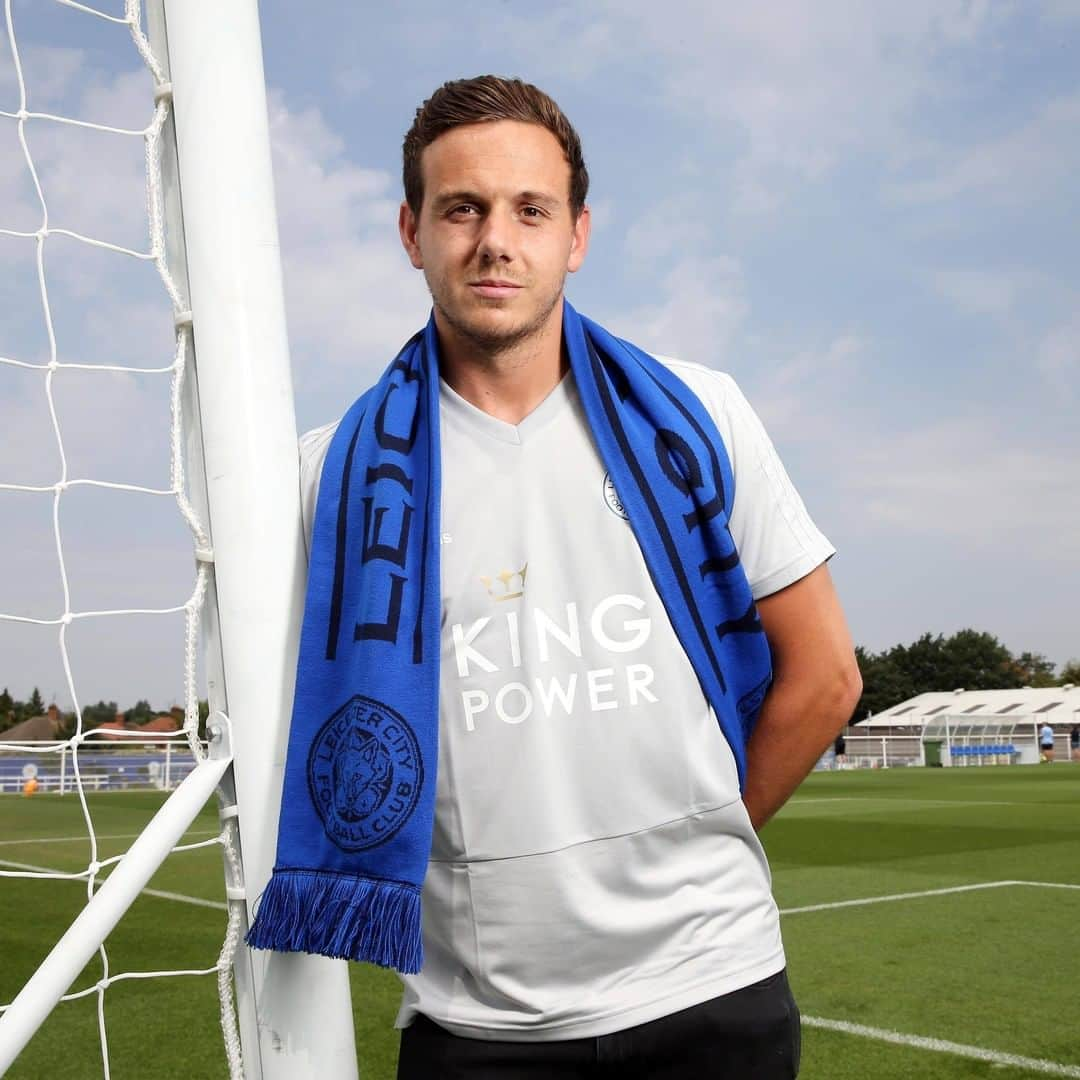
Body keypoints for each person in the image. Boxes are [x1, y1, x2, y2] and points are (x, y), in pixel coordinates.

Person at [294, 76, 861, 1079]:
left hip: (716, 992)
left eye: (530, 210)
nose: (495, 241)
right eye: (461, 208)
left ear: (578, 234)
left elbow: (824, 677)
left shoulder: (702, 414)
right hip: (479, 1029)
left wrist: (692, 839)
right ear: (411, 231)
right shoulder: (328, 473)